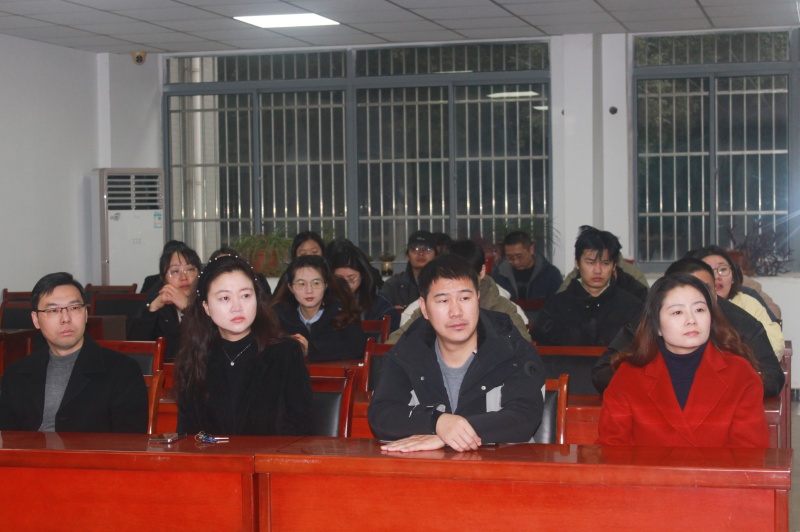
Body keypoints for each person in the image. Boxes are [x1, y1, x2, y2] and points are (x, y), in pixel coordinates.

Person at [369, 255, 545, 452]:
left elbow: (524, 416)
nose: (456, 312)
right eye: (443, 300)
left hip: (503, 465)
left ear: (478, 299)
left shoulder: (512, 348)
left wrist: (449, 433)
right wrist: (437, 422)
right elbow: (382, 414)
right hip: (432, 467)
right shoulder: (408, 350)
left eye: (464, 298)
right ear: (424, 308)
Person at [597, 274, 768, 448]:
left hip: (721, 467)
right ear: (656, 326)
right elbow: (611, 448)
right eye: (677, 312)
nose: (691, 320)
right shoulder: (628, 376)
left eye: (699, 310)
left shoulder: (740, 374)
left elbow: (750, 454)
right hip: (646, 468)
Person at [591, 258, 785, 397]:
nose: (691, 319)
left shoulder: (741, 324)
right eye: (677, 310)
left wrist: (713, 386)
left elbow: (772, 378)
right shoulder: (648, 320)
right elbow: (602, 373)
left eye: (703, 292)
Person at [174, 253, 312, 436]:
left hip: (272, 454)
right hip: (210, 455)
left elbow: (301, 429)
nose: (237, 307)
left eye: (246, 295)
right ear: (206, 307)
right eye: (225, 298)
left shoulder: (285, 352)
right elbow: (187, 434)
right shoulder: (194, 358)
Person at [0, 273, 147, 433]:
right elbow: (7, 438)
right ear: (36, 319)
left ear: (85, 313)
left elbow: (128, 441)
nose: (66, 319)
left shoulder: (122, 370)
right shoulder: (16, 373)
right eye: (53, 310)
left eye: (74, 308)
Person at [387, 239, 530, 343]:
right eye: (449, 276)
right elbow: (393, 347)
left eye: (464, 297)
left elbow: (524, 353)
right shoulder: (426, 309)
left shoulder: (505, 311)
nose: (456, 311)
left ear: (481, 271)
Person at [530, 226, 643, 346]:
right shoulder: (556, 306)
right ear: (577, 263)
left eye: (605, 263)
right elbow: (539, 347)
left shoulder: (632, 307)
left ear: (614, 266)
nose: (598, 270)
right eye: (590, 262)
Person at [687, 246, 784, 360]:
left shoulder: (748, 303)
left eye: (723, 269)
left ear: (733, 277)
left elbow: (774, 344)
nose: (717, 276)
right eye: (708, 270)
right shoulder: (685, 307)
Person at [272, 255, 367, 361]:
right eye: (301, 284)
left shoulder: (343, 313)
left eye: (316, 283)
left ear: (326, 285)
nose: (309, 290)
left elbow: (356, 348)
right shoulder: (279, 316)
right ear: (290, 288)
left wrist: (311, 349)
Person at [130, 241, 202, 362]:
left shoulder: (209, 302)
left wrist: (187, 307)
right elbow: (136, 348)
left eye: (189, 270)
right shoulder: (161, 304)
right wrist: (152, 310)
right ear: (163, 279)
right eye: (175, 271)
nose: (183, 277)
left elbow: (208, 343)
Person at [324, 238, 399, 331]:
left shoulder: (380, 308)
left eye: (351, 279)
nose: (345, 285)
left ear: (363, 275)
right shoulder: (321, 305)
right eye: (339, 280)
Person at [491, 231, 562, 300]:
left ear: (531, 249)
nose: (516, 262)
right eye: (510, 257)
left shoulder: (551, 274)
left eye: (519, 256)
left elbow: (557, 303)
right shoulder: (499, 274)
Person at [379, 230, 438, 310]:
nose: (421, 253)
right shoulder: (394, 284)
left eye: (427, 249)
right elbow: (379, 312)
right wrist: (391, 312)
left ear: (436, 256)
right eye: (415, 249)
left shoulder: (443, 282)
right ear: (407, 255)